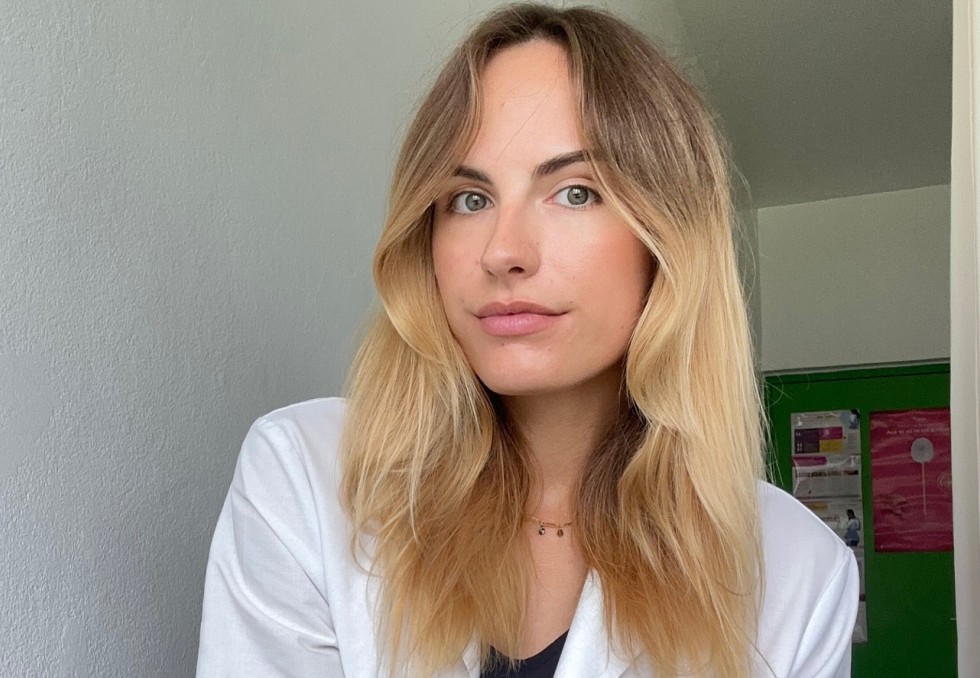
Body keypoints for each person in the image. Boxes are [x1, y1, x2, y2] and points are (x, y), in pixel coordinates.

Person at [196, 4, 858, 677]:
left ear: (667, 240)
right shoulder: (305, 480)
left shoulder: (796, 573)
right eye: (469, 199)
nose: (503, 251)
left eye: (575, 193)